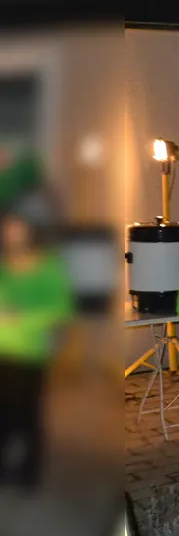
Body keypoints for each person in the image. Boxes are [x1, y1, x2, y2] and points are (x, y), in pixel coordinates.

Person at [0, 194, 73, 489]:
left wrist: (22, 317)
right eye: (7, 229)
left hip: (31, 353)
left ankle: (29, 471)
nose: (11, 235)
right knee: (4, 413)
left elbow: (59, 309)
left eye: (16, 229)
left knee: (28, 413)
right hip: (4, 352)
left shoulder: (48, 267)